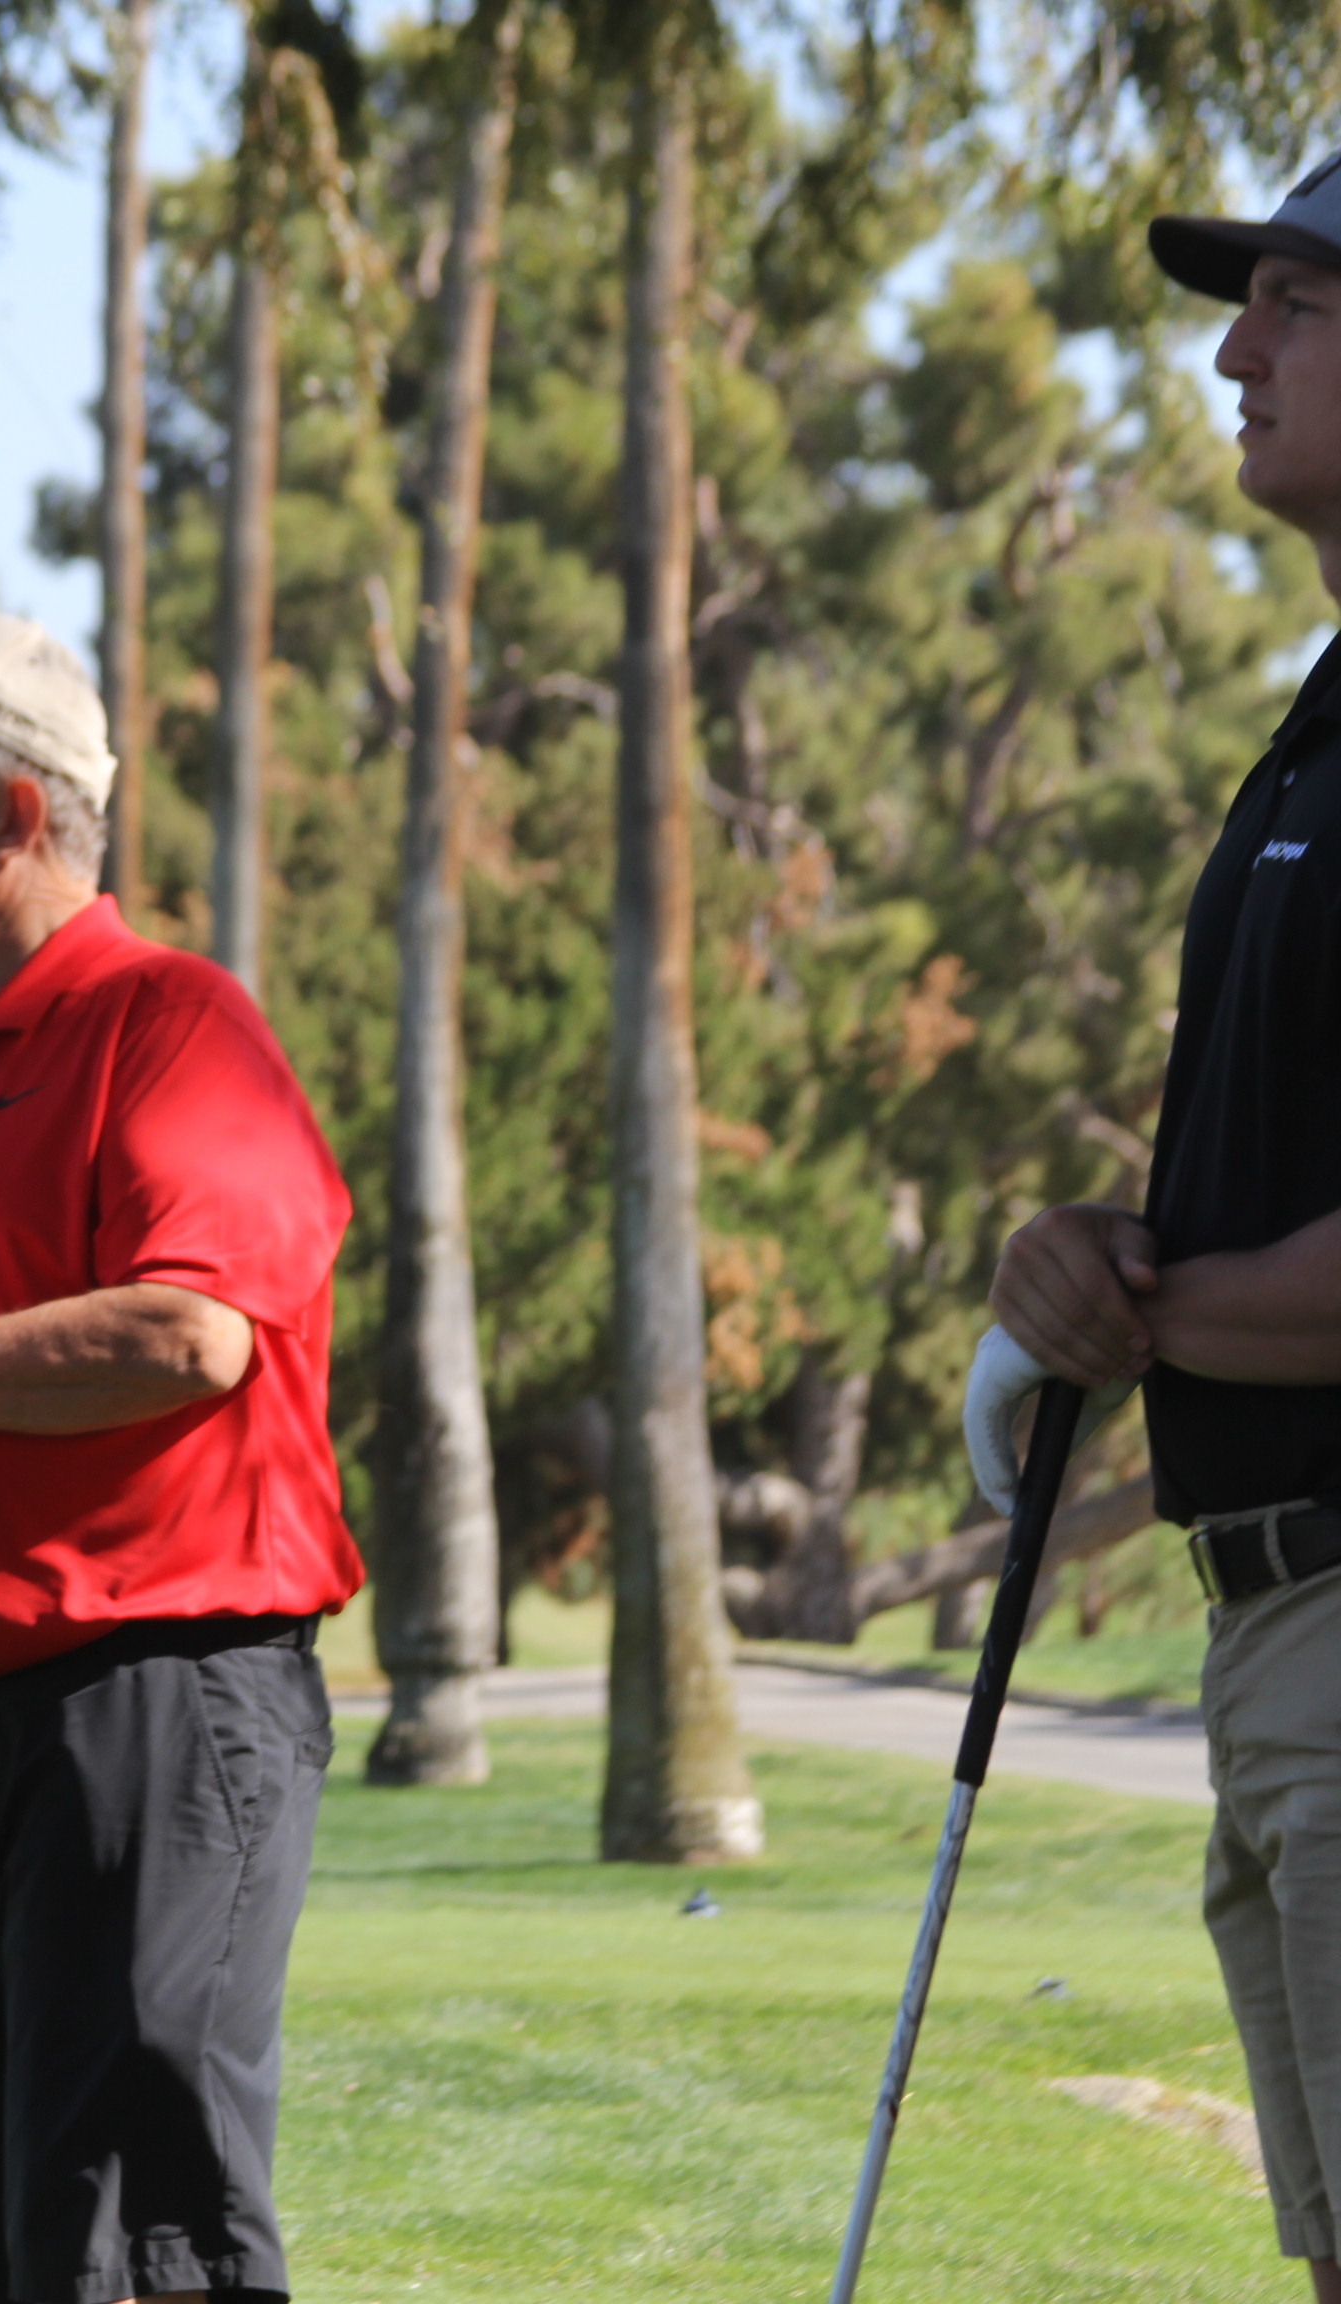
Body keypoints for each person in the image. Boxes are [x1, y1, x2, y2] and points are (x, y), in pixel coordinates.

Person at [0, 611, 360, 2304]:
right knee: (10, 2226)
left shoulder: (172, 1025)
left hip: (155, 1702)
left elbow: (191, 1337)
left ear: (14, 820)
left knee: (131, 2239)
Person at [988, 171, 1341, 2298]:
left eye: (1297, 305)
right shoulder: (1316, 728)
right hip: (1275, 1632)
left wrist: (1149, 1313)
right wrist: (1091, 1258)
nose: (1236, 351)